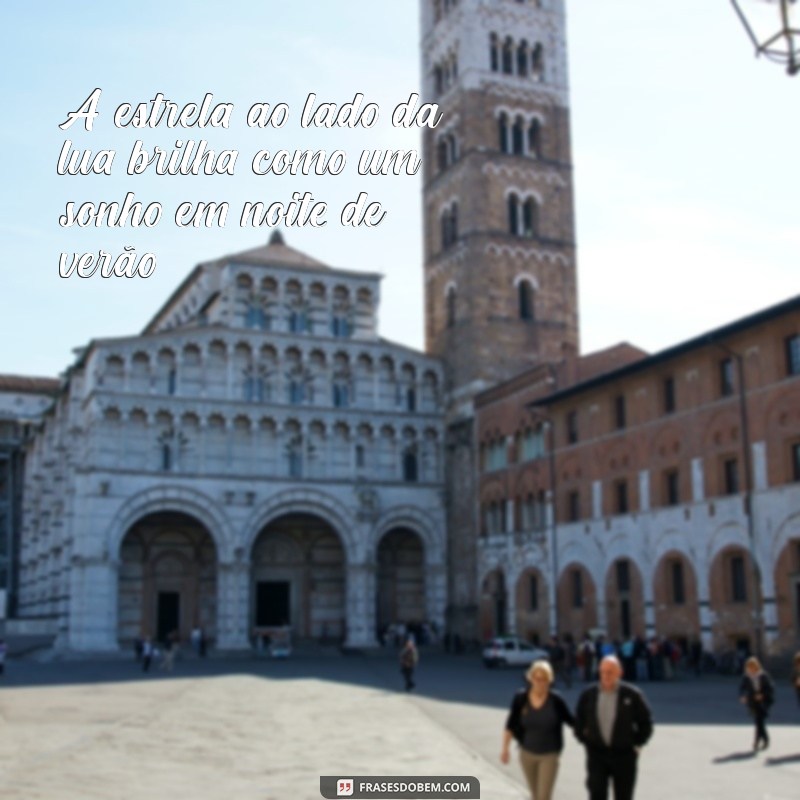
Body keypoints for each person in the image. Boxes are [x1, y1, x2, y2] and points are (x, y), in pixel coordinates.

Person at [574, 655, 653, 800]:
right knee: (596, 794)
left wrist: (637, 744)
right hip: (597, 755)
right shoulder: (588, 694)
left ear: (619, 673)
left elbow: (646, 722)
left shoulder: (632, 694)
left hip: (624, 755)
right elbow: (579, 720)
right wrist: (585, 741)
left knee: (624, 795)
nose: (606, 675)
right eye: (603, 671)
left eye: (610, 672)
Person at [501, 659, 575, 800]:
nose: (540, 682)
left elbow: (572, 721)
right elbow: (510, 724)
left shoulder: (556, 700)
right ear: (531, 679)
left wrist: (589, 730)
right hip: (527, 754)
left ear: (549, 680)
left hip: (549, 755)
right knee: (535, 796)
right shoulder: (521, 698)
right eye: (537, 678)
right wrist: (505, 749)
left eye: (544, 679)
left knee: (543, 796)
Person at [738, 656, 774, 751]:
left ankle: (757, 741)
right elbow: (742, 688)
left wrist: (762, 695)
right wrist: (743, 696)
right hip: (753, 701)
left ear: (756, 666)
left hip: (764, 701)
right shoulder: (746, 677)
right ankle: (765, 739)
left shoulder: (763, 675)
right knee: (759, 722)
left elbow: (770, 688)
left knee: (759, 721)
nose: (751, 669)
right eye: (749, 667)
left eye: (752, 667)